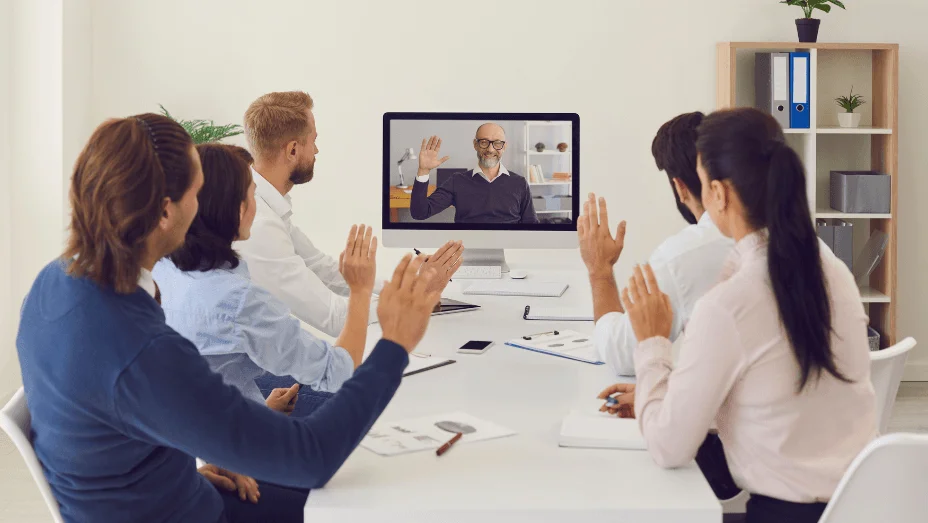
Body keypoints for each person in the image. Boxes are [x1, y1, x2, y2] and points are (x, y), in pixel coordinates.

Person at [16, 113, 443, 523]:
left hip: (163, 499)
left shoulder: (54, 283)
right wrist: (395, 343)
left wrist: (174, 475)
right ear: (166, 213)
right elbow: (313, 457)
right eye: (197, 193)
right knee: (385, 504)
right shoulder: (145, 352)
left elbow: (93, 427)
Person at [597, 107, 877, 523]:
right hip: (863, 504)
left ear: (719, 194)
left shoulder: (729, 302)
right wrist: (675, 391)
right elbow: (773, 387)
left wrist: (654, 344)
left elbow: (668, 447)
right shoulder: (831, 270)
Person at [153, 143, 374, 416]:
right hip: (236, 448)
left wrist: (264, 410)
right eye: (253, 194)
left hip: (210, 431)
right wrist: (361, 289)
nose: (259, 207)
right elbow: (337, 372)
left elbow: (204, 380)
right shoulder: (238, 299)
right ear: (237, 208)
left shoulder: (162, 271)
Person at [234, 91, 464, 337]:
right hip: (254, 373)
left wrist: (407, 285)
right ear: (292, 150)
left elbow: (325, 271)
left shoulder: (267, 207)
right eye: (313, 141)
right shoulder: (259, 225)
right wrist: (418, 294)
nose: (317, 150)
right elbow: (335, 319)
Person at [579, 112, 733, 378]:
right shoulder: (805, 242)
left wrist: (599, 270)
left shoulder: (684, 256)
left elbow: (623, 354)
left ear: (679, 186)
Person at [410, 124, 539, 224]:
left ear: (504, 147)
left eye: (497, 143)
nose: (490, 149)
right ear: (475, 145)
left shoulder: (519, 183)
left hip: (509, 248)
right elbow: (420, 213)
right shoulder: (457, 181)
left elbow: (531, 225)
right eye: (484, 142)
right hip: (466, 248)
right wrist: (423, 171)